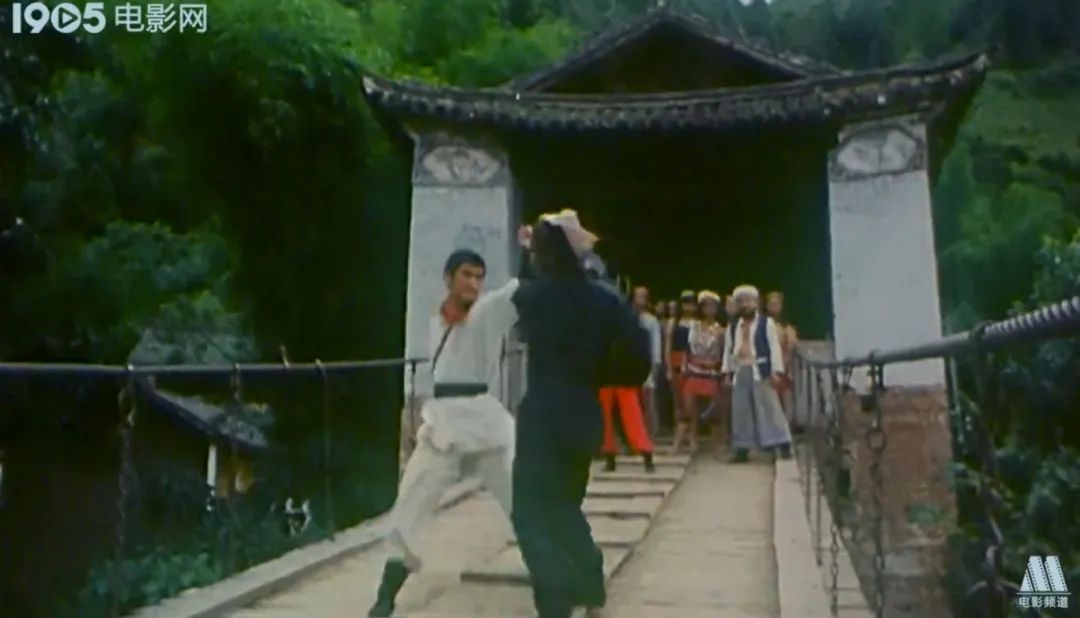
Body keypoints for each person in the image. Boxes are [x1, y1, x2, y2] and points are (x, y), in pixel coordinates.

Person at [512, 210, 651, 618]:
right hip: (583, 411)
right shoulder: (606, 298)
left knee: (531, 511)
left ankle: (557, 601)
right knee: (565, 504)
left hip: (542, 413)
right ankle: (588, 580)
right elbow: (638, 359)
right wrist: (602, 375)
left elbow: (521, 315)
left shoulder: (532, 296)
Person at [368, 249, 518, 617]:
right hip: (443, 424)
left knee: (526, 503)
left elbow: (518, 291)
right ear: (449, 278)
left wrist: (542, 247)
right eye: (466, 275)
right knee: (411, 501)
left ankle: (570, 579)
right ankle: (385, 597)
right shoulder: (436, 321)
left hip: (486, 424)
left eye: (479, 277)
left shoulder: (489, 311)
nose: (473, 283)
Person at [721, 285, 793, 463]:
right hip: (740, 369)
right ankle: (742, 448)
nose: (745, 305)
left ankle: (782, 443)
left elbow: (774, 347)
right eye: (741, 302)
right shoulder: (733, 327)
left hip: (760, 369)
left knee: (770, 407)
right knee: (741, 411)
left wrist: (776, 371)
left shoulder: (766, 323)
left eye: (749, 301)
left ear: (756, 303)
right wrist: (727, 373)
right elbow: (728, 350)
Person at [671, 291, 724, 455]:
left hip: (712, 372)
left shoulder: (721, 330)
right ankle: (679, 444)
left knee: (715, 412)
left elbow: (723, 353)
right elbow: (686, 349)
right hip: (693, 370)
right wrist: (684, 367)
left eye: (713, 306)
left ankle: (717, 446)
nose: (709, 309)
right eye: (706, 305)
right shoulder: (693, 327)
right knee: (687, 409)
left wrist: (720, 370)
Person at [664, 290, 696, 434]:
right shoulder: (673, 322)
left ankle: (692, 436)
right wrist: (668, 368)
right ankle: (678, 434)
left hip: (693, 363)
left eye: (691, 303)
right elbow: (668, 346)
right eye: (685, 303)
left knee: (691, 402)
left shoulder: (697, 323)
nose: (688, 307)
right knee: (678, 401)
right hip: (676, 361)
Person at [765, 291, 799, 425]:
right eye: (771, 304)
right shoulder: (761, 325)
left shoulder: (787, 327)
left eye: (777, 304)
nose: (774, 306)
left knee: (782, 400)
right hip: (765, 369)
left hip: (782, 368)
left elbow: (791, 347)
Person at [634, 286, 663, 440]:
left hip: (647, 364)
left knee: (648, 401)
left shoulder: (651, 320)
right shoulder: (628, 317)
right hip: (630, 364)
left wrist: (655, 365)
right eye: (638, 295)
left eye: (644, 296)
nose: (641, 299)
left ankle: (650, 434)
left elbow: (656, 344)